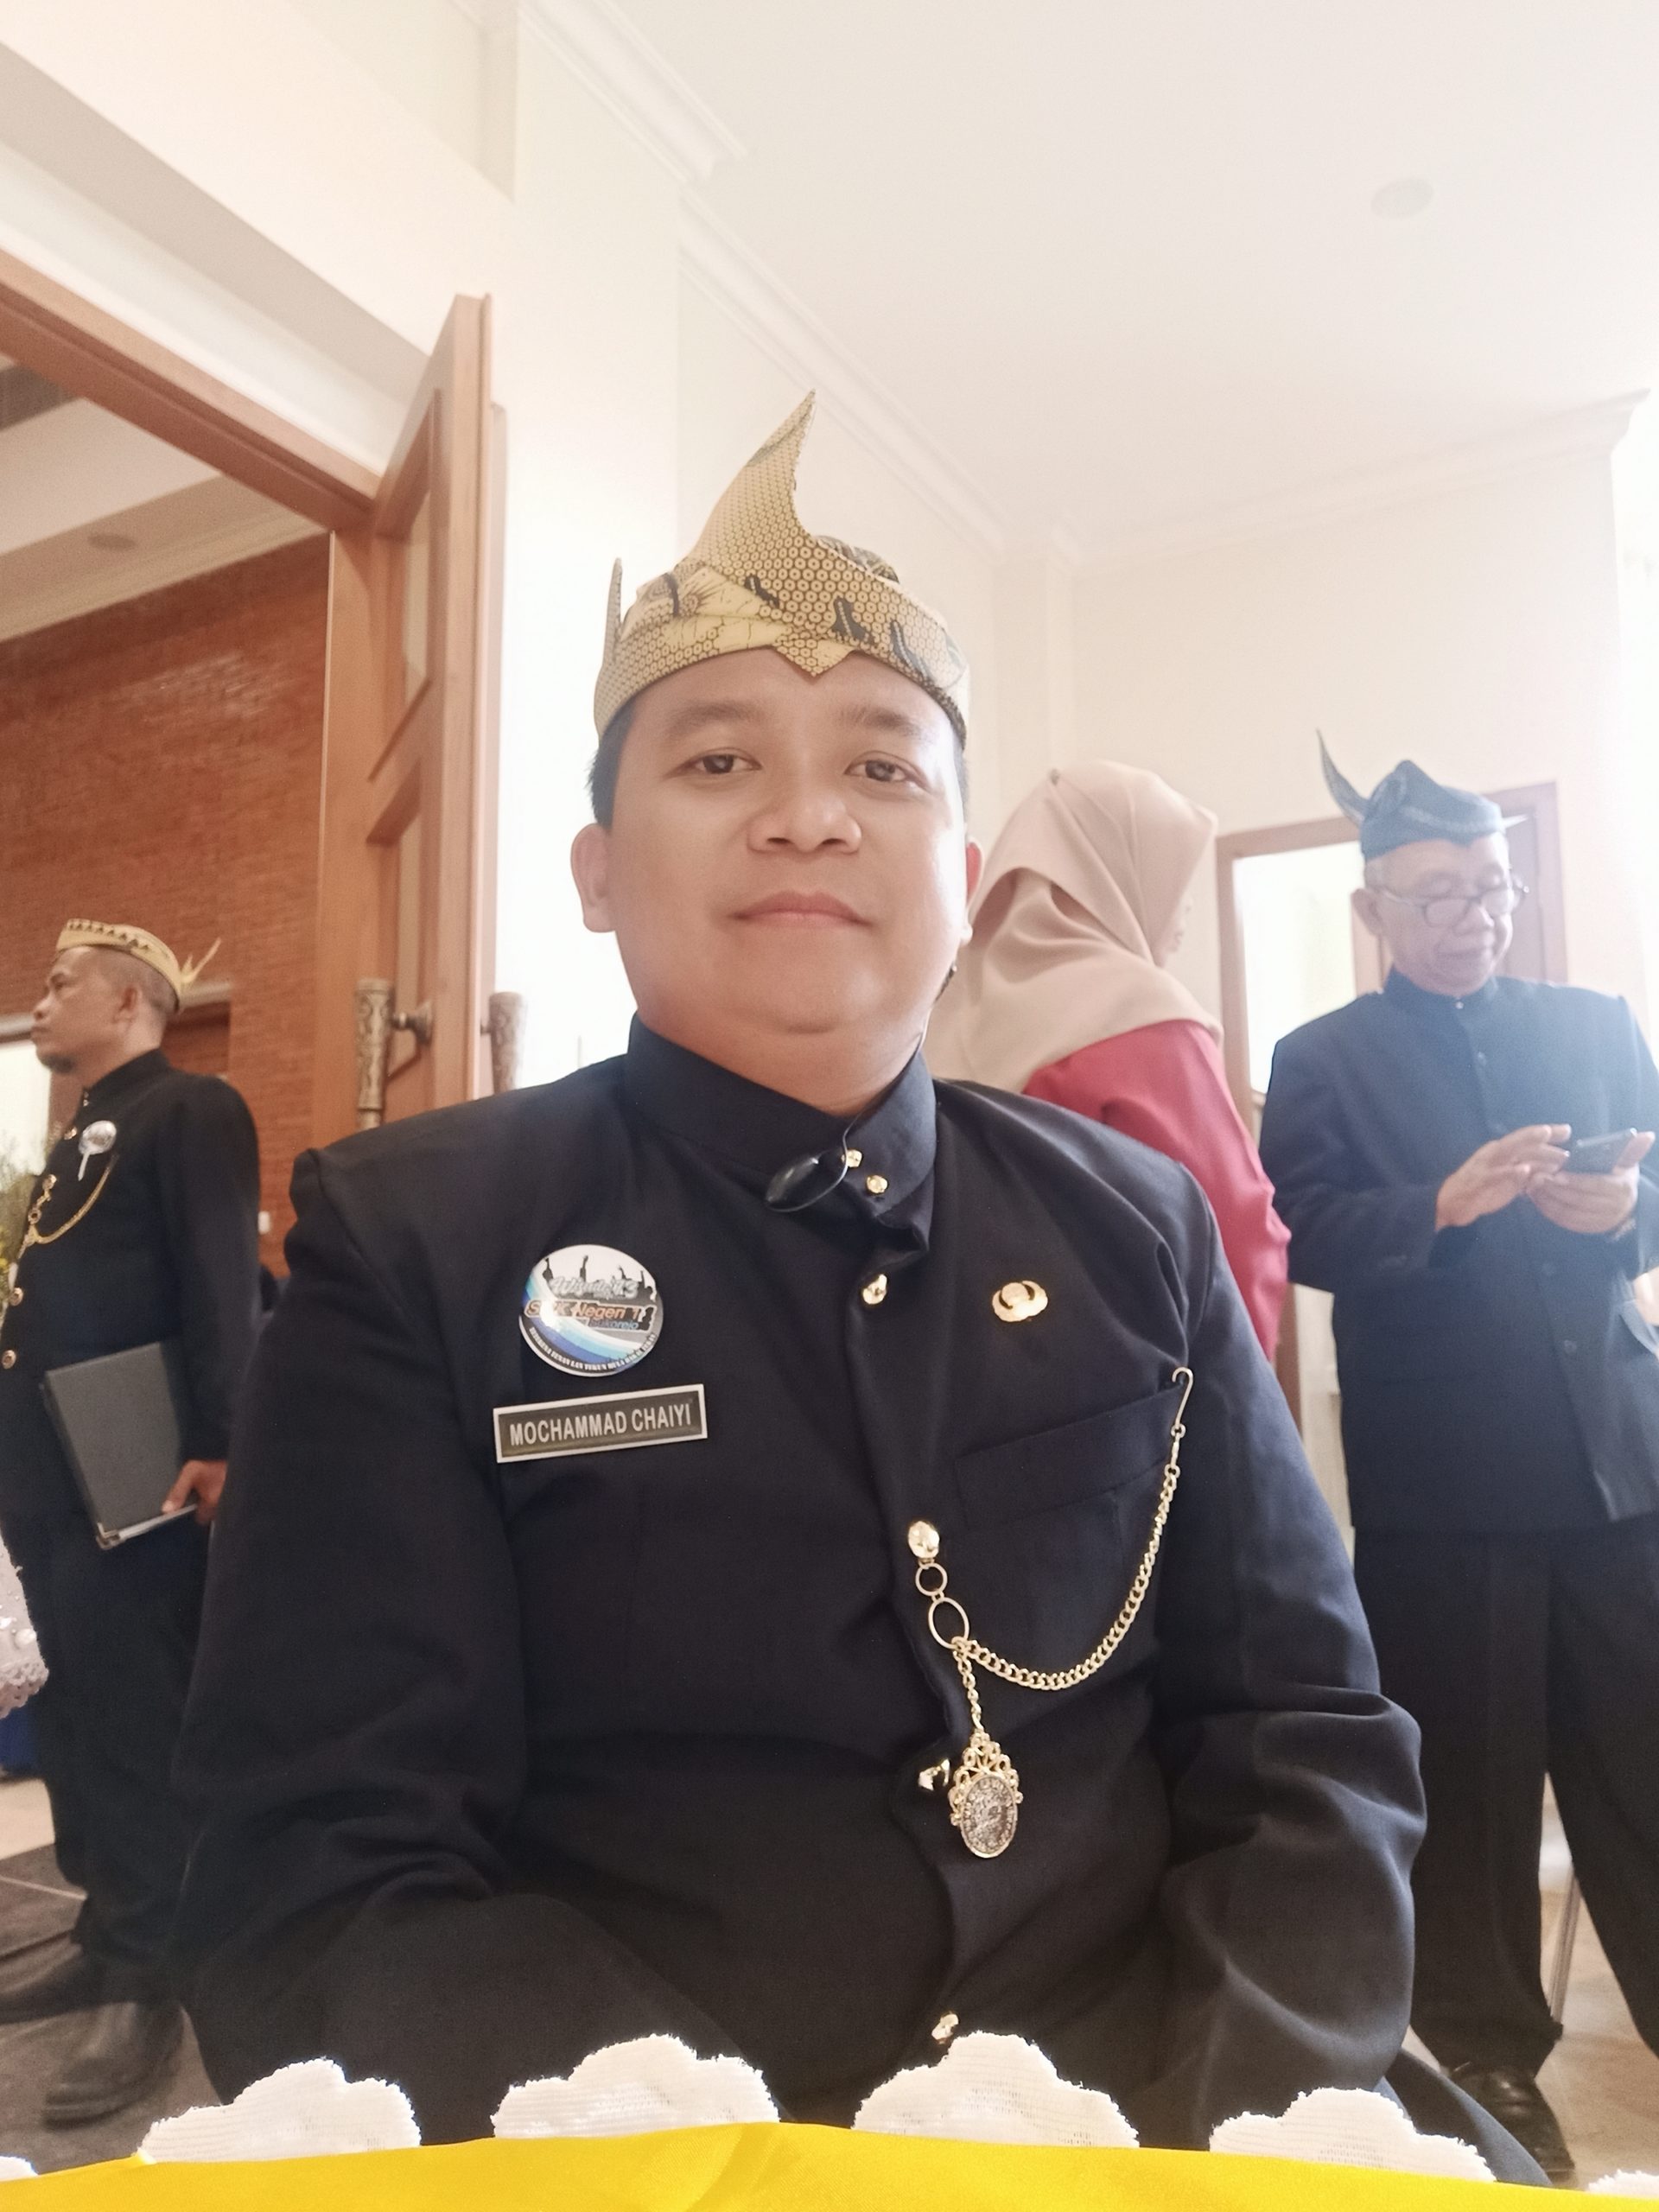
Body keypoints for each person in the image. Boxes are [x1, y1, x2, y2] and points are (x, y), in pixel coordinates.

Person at [175, 400, 1533, 2177]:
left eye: (885, 770)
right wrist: (733, 2170)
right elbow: (322, 1857)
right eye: (719, 762)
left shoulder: (1134, 1223)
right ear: (597, 874)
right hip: (654, 2153)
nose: (809, 817)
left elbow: (1304, 1735)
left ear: (962, 884)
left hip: (1183, 2116)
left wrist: (1241, 2128)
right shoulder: (415, 1242)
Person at [1258, 743, 1659, 2185]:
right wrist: (1438, 1205)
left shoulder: (1596, 1020)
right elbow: (1302, 1231)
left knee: (1648, 1751)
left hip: (1622, 1467)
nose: (1469, 918)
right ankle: (1489, 2056)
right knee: (1474, 1787)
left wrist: (1624, 1209)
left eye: (1489, 889)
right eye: (1434, 896)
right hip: (1446, 1482)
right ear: (1373, 910)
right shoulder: (1322, 1060)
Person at [0, 923, 260, 2123]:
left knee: (136, 1715)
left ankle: (152, 1970)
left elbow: (218, 1277)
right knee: (75, 1711)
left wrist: (222, 1440)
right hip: (53, 1465)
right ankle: (107, 1929)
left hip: (138, 1463)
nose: (42, 1000)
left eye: (63, 985)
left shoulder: (189, 1109)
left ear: (126, 1001)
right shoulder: (81, 1133)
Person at [927, 763, 1287, 1355]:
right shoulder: (1142, 1020)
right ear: (1117, 875)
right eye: (1174, 879)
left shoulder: (943, 1010)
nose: (1184, 912)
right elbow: (1233, 1234)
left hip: (978, 1367)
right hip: (1132, 1377)